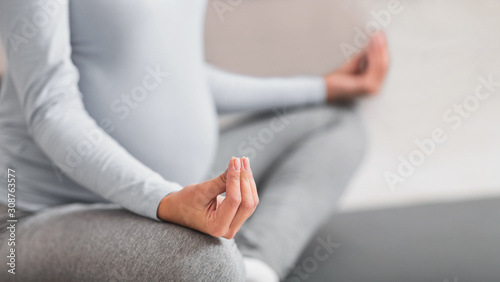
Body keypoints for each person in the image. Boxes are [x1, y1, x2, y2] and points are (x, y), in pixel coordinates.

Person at [0, 1, 389, 281]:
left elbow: (180, 80)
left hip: (177, 192)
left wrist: (321, 88)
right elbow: (51, 111)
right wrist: (165, 201)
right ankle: (234, 269)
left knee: (336, 124)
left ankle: (255, 266)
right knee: (208, 265)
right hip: (42, 216)